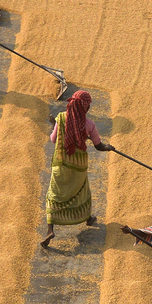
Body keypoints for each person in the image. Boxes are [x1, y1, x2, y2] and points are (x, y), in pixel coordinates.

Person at [41, 90, 113, 247]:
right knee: (81, 191)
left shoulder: (60, 118)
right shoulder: (89, 125)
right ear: (85, 108)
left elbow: (53, 139)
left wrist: (54, 125)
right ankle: (87, 218)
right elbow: (98, 146)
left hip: (60, 166)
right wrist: (109, 147)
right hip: (79, 168)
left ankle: (50, 230)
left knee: (54, 195)